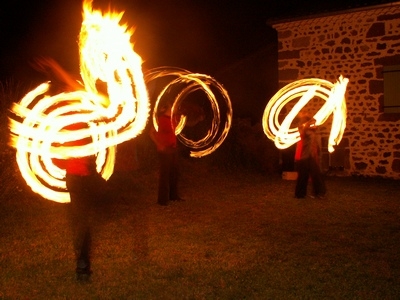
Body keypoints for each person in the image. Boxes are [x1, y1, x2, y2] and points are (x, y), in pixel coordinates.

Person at [33, 57, 108, 281]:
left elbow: (94, 100)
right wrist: (56, 68)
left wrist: (56, 69)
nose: (75, 92)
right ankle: (82, 267)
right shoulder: (65, 114)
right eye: (69, 91)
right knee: (82, 221)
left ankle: (83, 263)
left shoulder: (83, 112)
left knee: (86, 218)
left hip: (89, 172)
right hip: (75, 176)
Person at [150, 103, 183, 206]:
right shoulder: (161, 119)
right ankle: (162, 200)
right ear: (170, 107)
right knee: (165, 174)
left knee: (174, 172)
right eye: (175, 106)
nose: (177, 108)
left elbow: (183, 123)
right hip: (164, 150)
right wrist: (159, 144)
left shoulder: (174, 118)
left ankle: (173, 196)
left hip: (173, 148)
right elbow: (151, 132)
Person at [294, 112, 326, 199]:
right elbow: (302, 133)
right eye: (312, 123)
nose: (314, 125)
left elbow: (315, 144)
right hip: (304, 157)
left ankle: (319, 193)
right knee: (303, 176)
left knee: (316, 175)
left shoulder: (313, 132)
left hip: (311, 156)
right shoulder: (303, 130)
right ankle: (300, 194)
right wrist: (307, 123)